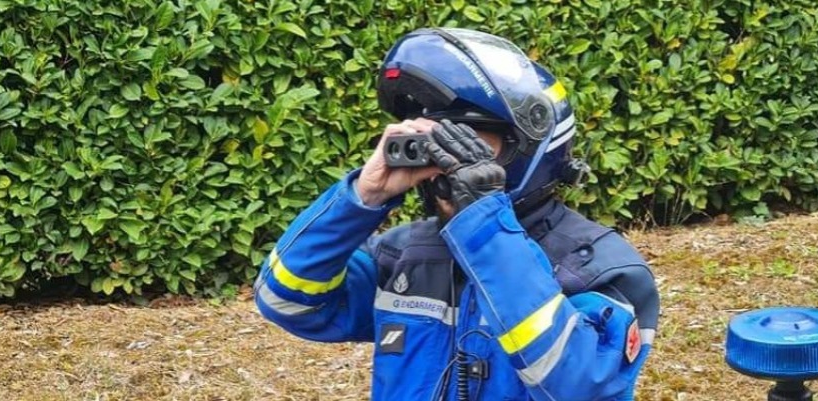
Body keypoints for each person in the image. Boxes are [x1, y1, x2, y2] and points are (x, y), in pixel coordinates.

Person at [254, 27, 660, 401]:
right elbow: (286, 301)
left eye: (466, 144)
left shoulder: (600, 267)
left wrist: (485, 226)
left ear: (525, 147)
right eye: (433, 141)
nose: (445, 161)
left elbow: (581, 386)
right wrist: (363, 196)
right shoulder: (403, 255)